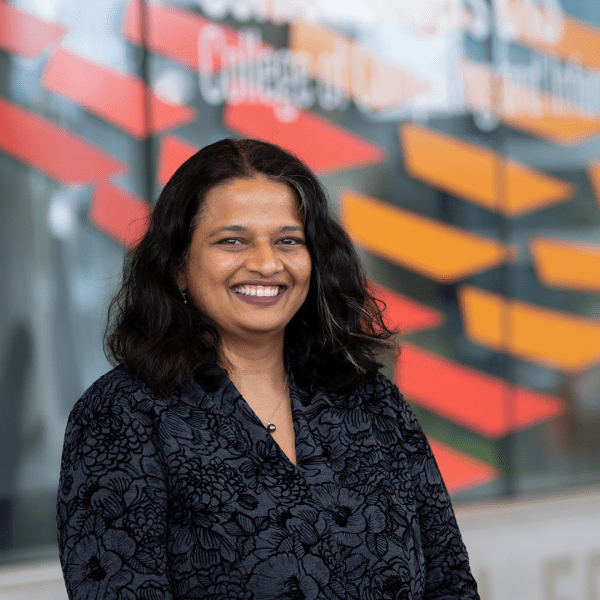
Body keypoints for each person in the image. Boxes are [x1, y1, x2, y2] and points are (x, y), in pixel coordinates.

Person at [57, 138, 480, 600]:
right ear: (178, 266)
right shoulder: (121, 416)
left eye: (288, 241)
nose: (265, 263)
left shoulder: (371, 402)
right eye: (232, 241)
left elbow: (450, 584)